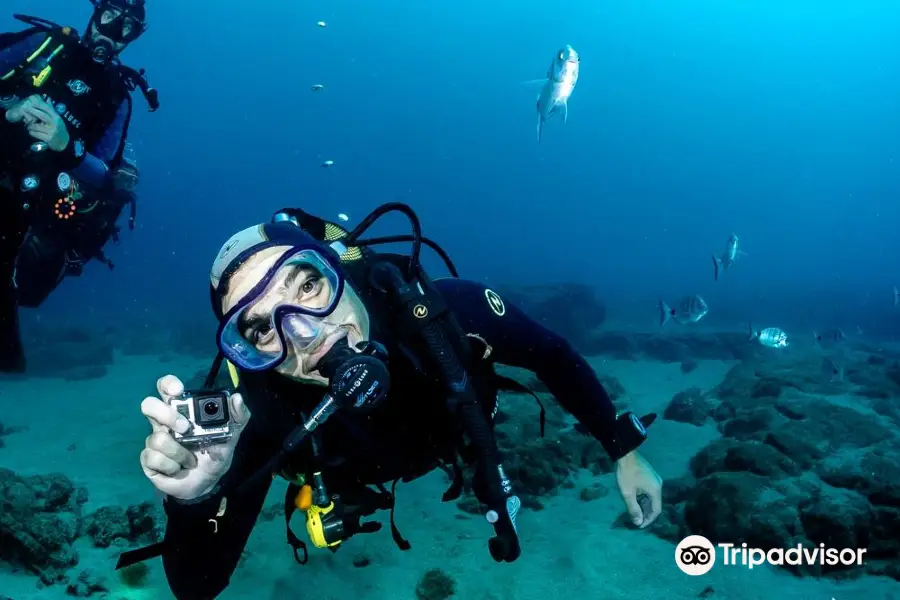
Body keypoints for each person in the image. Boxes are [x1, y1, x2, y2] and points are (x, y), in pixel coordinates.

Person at [125, 204, 663, 599]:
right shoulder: (264, 413)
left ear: (340, 269)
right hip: (348, 477)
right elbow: (195, 587)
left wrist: (623, 450)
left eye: (307, 286)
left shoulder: (448, 313)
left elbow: (551, 353)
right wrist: (193, 500)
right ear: (247, 350)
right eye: (263, 328)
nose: (307, 334)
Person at [0, 0, 158, 371]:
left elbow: (104, 174)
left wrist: (66, 145)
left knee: (24, 291)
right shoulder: (44, 45)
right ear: (94, 13)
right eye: (110, 19)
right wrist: (10, 107)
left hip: (32, 204)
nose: (114, 34)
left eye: (128, 29)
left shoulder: (117, 96)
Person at [14, 145, 140, 307]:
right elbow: (52, 210)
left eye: (134, 182)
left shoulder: (115, 206)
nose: (129, 186)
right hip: (42, 239)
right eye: (126, 178)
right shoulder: (91, 187)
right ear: (115, 175)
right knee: (17, 281)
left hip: (63, 254)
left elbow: (98, 237)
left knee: (31, 299)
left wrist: (80, 254)